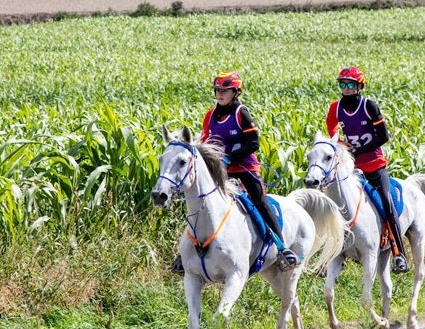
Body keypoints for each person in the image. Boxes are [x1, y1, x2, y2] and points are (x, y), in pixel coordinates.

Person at [170, 71, 298, 275]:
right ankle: (184, 254)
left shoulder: (241, 113)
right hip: (221, 169)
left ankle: (282, 248)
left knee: (259, 202)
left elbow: (253, 143)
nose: (220, 94)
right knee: (200, 203)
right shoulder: (210, 115)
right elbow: (205, 142)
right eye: (217, 90)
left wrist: (230, 156)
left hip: (245, 168)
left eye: (225, 90)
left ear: (236, 92)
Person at [325, 66, 409, 274]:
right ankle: (332, 253)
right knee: (335, 203)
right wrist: (341, 145)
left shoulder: (368, 105)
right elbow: (331, 129)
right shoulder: (335, 108)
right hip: (352, 167)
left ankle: (399, 253)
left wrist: (359, 149)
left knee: (387, 203)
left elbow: (383, 136)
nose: (346, 87)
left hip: (374, 164)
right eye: (342, 84)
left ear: (359, 86)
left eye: (350, 84)